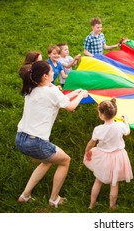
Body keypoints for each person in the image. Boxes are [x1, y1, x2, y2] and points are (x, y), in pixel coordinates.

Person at [16, 60, 88, 207]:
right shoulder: (51, 91)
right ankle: (54, 199)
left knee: (47, 161)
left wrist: (75, 92)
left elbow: (60, 99)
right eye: (50, 71)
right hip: (35, 141)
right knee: (65, 161)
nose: (53, 73)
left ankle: (25, 195)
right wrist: (82, 95)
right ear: (44, 76)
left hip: (20, 138)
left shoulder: (32, 89)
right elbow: (70, 107)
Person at [83, 99, 133, 210]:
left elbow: (91, 143)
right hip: (118, 157)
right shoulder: (120, 126)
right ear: (115, 113)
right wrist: (126, 121)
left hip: (103, 157)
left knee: (98, 180)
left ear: (101, 115)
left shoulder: (98, 129)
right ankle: (112, 206)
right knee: (114, 183)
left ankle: (91, 205)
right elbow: (127, 132)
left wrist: (87, 151)